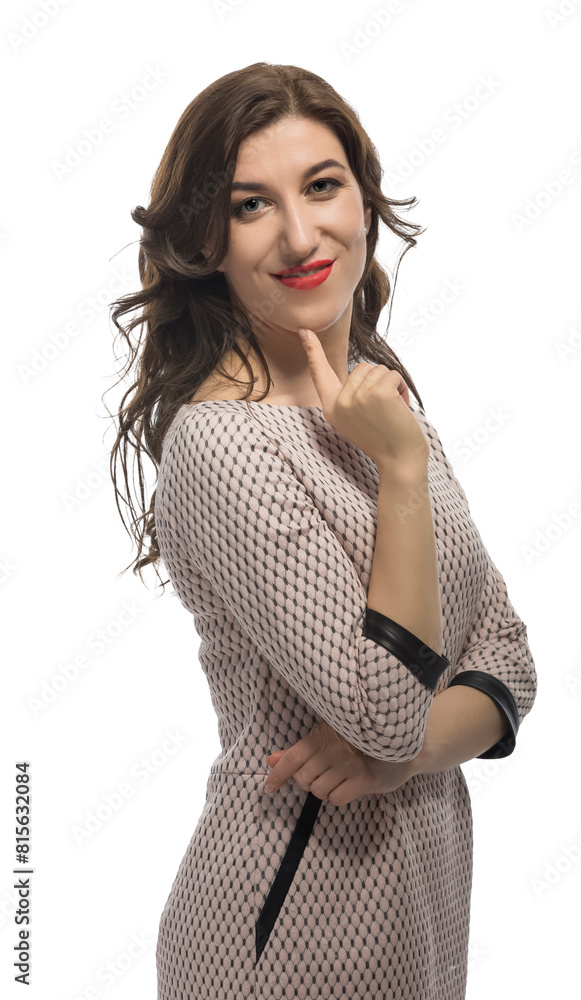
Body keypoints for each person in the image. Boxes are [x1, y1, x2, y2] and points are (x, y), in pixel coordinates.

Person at [107, 62, 537, 1000]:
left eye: (322, 186)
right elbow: (385, 706)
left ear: (364, 198)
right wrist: (403, 472)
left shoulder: (374, 392)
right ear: (206, 240)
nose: (301, 235)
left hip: (418, 925)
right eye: (251, 204)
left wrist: (403, 759)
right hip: (282, 940)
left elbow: (506, 660)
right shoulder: (221, 444)